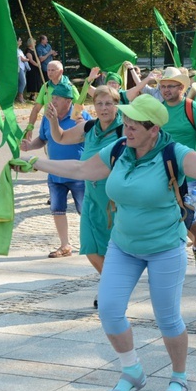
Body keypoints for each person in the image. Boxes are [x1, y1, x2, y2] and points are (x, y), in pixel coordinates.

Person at [19, 94, 196, 391]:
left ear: (153, 130)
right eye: (127, 122)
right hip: (123, 245)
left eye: (134, 124)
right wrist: (35, 162)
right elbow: (81, 169)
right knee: (108, 310)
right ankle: (131, 371)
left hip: (165, 247)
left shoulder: (174, 153)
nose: (127, 127)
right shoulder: (119, 149)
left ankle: (179, 377)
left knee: (168, 318)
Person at [44, 85, 123, 304]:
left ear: (117, 105)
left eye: (109, 103)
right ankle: (113, 286)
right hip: (91, 196)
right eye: (100, 104)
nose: (104, 108)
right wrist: (52, 120)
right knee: (90, 248)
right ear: (94, 106)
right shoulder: (88, 127)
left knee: (113, 249)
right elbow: (59, 137)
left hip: (114, 199)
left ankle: (111, 290)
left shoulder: (124, 129)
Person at [159, 66, 196, 272]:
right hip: (162, 172)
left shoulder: (193, 109)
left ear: (182, 87)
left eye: (171, 86)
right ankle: (173, 255)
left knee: (187, 214)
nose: (166, 90)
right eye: (163, 87)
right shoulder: (157, 110)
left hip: (190, 172)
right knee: (168, 214)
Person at [21, 83, 85, 258]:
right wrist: (29, 147)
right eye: (52, 97)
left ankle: (90, 242)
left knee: (85, 210)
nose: (53, 101)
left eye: (57, 98)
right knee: (57, 209)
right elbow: (43, 139)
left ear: (68, 100)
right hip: (55, 173)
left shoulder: (80, 116)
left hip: (78, 172)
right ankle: (65, 245)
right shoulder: (48, 117)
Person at [23, 61, 80, 141]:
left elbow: (79, 107)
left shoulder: (69, 87)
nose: (49, 72)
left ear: (61, 71)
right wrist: (30, 127)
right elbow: (36, 109)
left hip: (66, 126)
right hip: (49, 123)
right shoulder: (45, 86)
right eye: (48, 70)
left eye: (53, 70)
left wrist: (77, 125)